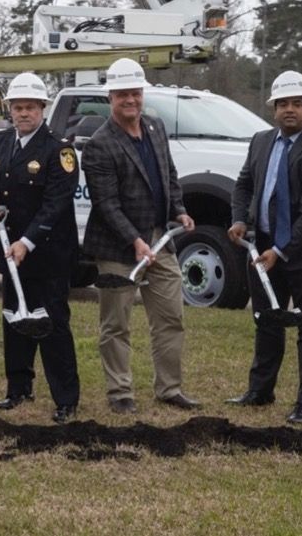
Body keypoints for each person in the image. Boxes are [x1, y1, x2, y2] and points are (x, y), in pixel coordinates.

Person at [227, 71, 302, 425]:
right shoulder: (260, 142)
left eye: (297, 103)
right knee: (266, 320)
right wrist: (239, 219)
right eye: (283, 104)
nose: (289, 110)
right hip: (264, 249)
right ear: (273, 109)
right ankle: (259, 391)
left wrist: (280, 251)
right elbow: (244, 184)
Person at [82, 57, 199, 415]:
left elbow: (169, 174)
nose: (130, 100)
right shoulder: (99, 145)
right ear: (110, 98)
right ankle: (120, 392)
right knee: (116, 324)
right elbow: (106, 203)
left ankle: (170, 388)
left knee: (170, 317)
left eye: (135, 93)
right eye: (122, 95)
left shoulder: (156, 128)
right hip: (119, 247)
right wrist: (134, 240)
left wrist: (178, 209)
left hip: (161, 241)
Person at [0, 73, 81, 424]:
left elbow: (56, 203)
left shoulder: (60, 149)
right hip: (11, 253)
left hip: (48, 254)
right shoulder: (0, 142)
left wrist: (28, 242)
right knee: (13, 319)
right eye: (17, 107)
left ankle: (66, 399)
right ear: (10, 109)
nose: (23, 113)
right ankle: (18, 388)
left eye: (30, 107)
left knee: (52, 324)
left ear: (43, 108)